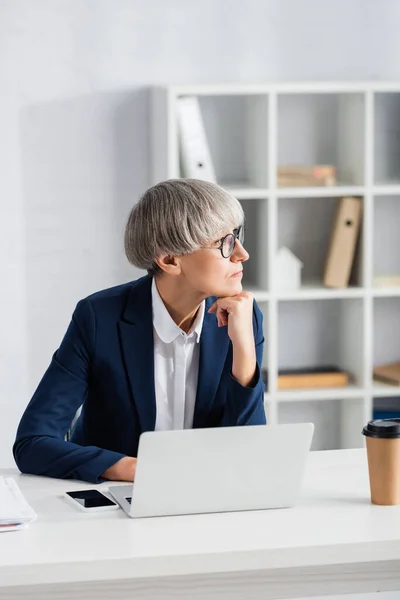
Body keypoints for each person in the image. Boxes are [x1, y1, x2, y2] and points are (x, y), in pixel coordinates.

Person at [13, 179, 266, 484]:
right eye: (225, 243)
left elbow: (249, 452)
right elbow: (32, 443)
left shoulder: (241, 318)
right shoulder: (98, 318)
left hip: (205, 497)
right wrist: (133, 469)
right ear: (170, 260)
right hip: (114, 501)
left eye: (237, 236)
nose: (242, 253)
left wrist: (244, 350)